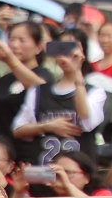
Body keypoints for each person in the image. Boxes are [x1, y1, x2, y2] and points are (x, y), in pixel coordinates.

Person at [12, 34, 106, 167]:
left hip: (76, 176)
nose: (66, 55)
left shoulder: (95, 92)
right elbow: (18, 129)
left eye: (72, 49)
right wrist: (47, 126)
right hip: (44, 172)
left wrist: (77, 74)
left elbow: (87, 119)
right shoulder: (38, 91)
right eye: (61, 49)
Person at [0, 24, 52, 147]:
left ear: (38, 47)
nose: (15, 45)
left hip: (24, 154)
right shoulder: (2, 81)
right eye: (12, 39)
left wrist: (10, 60)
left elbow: (40, 90)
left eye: (22, 40)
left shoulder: (43, 75)